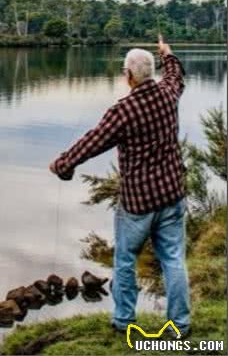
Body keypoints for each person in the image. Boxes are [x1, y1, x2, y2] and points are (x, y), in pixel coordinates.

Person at [49, 38, 190, 335]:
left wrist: (63, 165)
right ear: (149, 73)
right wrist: (169, 54)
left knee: (125, 261)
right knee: (174, 260)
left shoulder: (124, 111)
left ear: (128, 76)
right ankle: (179, 324)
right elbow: (176, 76)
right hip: (172, 195)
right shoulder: (167, 94)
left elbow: (92, 141)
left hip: (138, 203)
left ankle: (124, 321)